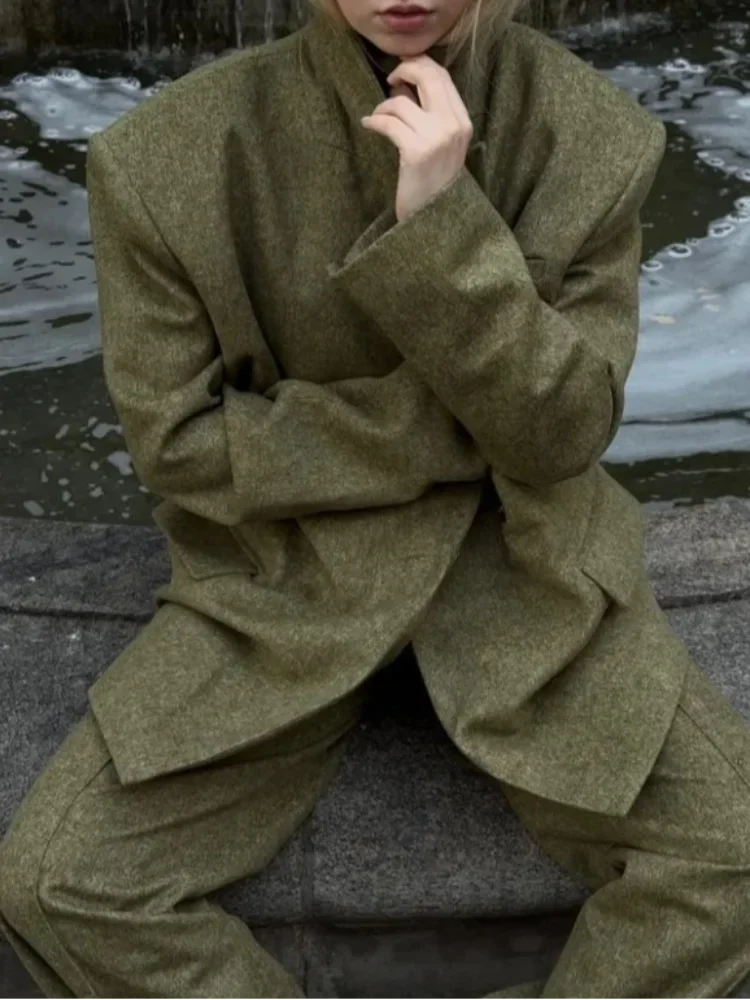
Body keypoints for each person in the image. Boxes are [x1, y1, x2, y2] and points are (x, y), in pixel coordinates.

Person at [2, 0, 750, 996]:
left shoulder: (591, 134)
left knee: (732, 853)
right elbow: (179, 446)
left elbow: (562, 435)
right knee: (60, 881)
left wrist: (441, 226)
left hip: (525, 564)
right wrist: (456, 427)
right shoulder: (162, 156)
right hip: (279, 583)